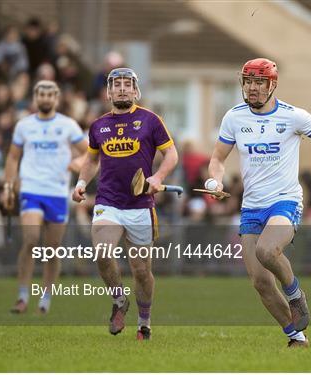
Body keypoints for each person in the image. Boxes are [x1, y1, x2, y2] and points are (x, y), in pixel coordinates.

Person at [208, 58, 311, 347]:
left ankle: (295, 294)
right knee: (260, 282)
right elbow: (218, 158)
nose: (253, 88)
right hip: (251, 207)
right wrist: (216, 180)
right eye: (248, 81)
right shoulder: (234, 118)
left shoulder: (292, 116)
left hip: (285, 201)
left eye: (259, 82)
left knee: (267, 250)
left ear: (272, 85)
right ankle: (296, 335)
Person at [72, 68, 178, 340]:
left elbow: (171, 155)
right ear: (109, 91)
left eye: (126, 85)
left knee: (142, 272)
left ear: (135, 90)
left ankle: (144, 322)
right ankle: (119, 301)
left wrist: (158, 177)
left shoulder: (151, 120)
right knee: (103, 253)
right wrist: (82, 183)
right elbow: (92, 160)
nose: (121, 89)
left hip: (141, 205)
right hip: (108, 202)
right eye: (116, 85)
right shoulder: (98, 126)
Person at [3, 80, 88, 314]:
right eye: (42, 94)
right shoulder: (24, 126)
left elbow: (90, 153)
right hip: (31, 188)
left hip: (57, 191)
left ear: (57, 98)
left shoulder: (68, 125)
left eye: (50, 95)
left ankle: (46, 296)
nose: (46, 98)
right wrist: (9, 186)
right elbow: (12, 158)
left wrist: (77, 163)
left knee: (53, 248)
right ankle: (22, 295)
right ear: (35, 97)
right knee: (30, 239)